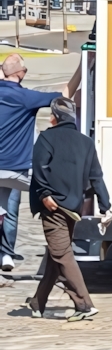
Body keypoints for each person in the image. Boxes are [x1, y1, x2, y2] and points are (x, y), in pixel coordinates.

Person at [28, 97, 109, 321]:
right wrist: (105, 205)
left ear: (54, 118)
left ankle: (84, 304)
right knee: (57, 254)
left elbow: (39, 168)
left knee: (62, 254)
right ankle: (38, 302)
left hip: (53, 208)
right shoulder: (86, 142)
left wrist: (44, 194)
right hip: (73, 208)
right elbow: (96, 177)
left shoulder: (46, 138)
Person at [0, 55, 76, 274]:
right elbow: (63, 96)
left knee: (3, 207)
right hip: (16, 169)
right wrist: (82, 67)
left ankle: (6, 252)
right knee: (54, 193)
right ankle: (61, 250)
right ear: (22, 73)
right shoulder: (25, 97)